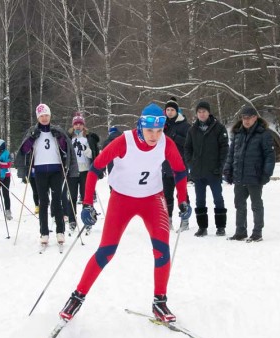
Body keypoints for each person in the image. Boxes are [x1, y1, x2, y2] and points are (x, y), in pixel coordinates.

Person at [58, 103, 191, 323]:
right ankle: (77, 297)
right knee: (107, 251)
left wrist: (183, 200)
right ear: (141, 126)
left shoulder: (165, 142)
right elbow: (95, 169)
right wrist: (88, 203)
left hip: (152, 199)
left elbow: (179, 170)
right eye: (150, 130)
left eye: (159, 131)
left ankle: (160, 301)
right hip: (122, 199)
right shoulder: (124, 141)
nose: (155, 136)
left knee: (162, 250)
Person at [16, 103, 78, 245]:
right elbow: (24, 150)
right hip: (39, 171)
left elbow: (65, 149)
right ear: (38, 118)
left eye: (46, 115)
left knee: (57, 201)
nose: (44, 118)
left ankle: (60, 231)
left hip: (56, 170)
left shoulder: (57, 131)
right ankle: (44, 232)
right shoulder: (33, 131)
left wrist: (60, 139)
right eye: (41, 116)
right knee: (43, 202)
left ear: (50, 116)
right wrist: (31, 138)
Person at [223, 105, 276, 242]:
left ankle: (257, 232)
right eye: (244, 118)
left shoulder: (264, 134)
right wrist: (228, 170)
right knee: (239, 204)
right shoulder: (237, 133)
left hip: (255, 176)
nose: (246, 121)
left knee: (256, 205)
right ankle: (240, 232)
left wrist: (266, 174)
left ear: (255, 118)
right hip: (239, 176)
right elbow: (231, 154)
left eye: (249, 118)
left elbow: (270, 156)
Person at [184, 101, 229, 237]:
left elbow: (224, 149)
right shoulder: (192, 130)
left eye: (204, 111)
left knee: (218, 199)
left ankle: (220, 227)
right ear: (196, 114)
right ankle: (202, 227)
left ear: (208, 112)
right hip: (198, 173)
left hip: (214, 171)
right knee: (199, 200)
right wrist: (191, 164)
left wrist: (220, 167)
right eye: (199, 112)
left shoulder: (219, 128)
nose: (202, 114)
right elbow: (187, 149)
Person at [67, 112, 100, 232]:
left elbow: (93, 154)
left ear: (83, 126)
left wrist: (85, 149)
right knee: (72, 196)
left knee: (86, 196)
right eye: (76, 124)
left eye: (80, 124)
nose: (78, 126)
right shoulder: (69, 138)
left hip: (86, 170)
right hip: (73, 171)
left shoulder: (88, 138)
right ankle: (72, 220)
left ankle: (87, 219)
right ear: (73, 126)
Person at [162, 99, 191, 231]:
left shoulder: (184, 125)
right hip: (165, 165)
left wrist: (175, 137)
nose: (169, 112)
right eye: (167, 110)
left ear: (177, 111)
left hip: (180, 165)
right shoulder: (163, 124)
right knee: (166, 195)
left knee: (182, 194)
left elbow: (189, 144)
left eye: (172, 110)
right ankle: (168, 220)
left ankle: (185, 220)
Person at [0, 139, 13, 220]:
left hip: (6, 176)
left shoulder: (6, 153)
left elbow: (8, 164)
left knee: (5, 194)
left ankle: (8, 212)